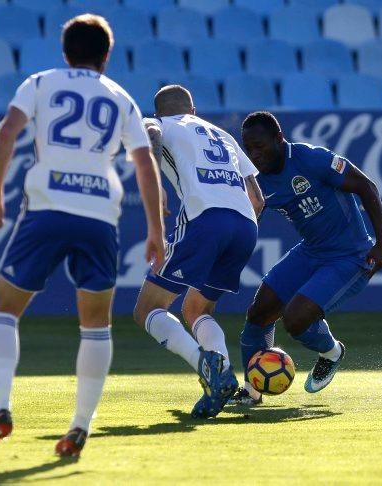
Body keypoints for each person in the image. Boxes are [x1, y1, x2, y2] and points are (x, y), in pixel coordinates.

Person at [0, 14, 165, 458]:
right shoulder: (121, 98)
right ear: (107, 55)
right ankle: (79, 427)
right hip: (99, 215)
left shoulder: (40, 82)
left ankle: (0, 408)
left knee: (4, 310)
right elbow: (144, 163)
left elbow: (8, 132)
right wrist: (155, 229)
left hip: (46, 209)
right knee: (96, 324)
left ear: (65, 51)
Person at [232, 111, 382, 406]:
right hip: (312, 250)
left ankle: (331, 352)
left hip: (350, 256)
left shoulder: (312, 159)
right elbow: (247, 217)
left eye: (260, 147)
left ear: (279, 138)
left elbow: (366, 187)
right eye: (248, 148)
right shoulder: (257, 181)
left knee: (295, 319)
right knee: (259, 312)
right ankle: (251, 392)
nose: (254, 155)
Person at [132, 85, 264, 418]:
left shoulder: (161, 124)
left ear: (160, 111)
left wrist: (156, 182)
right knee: (197, 309)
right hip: (247, 227)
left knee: (148, 308)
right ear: (193, 110)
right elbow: (258, 199)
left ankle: (206, 368)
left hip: (205, 219)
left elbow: (148, 131)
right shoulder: (223, 134)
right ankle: (220, 373)